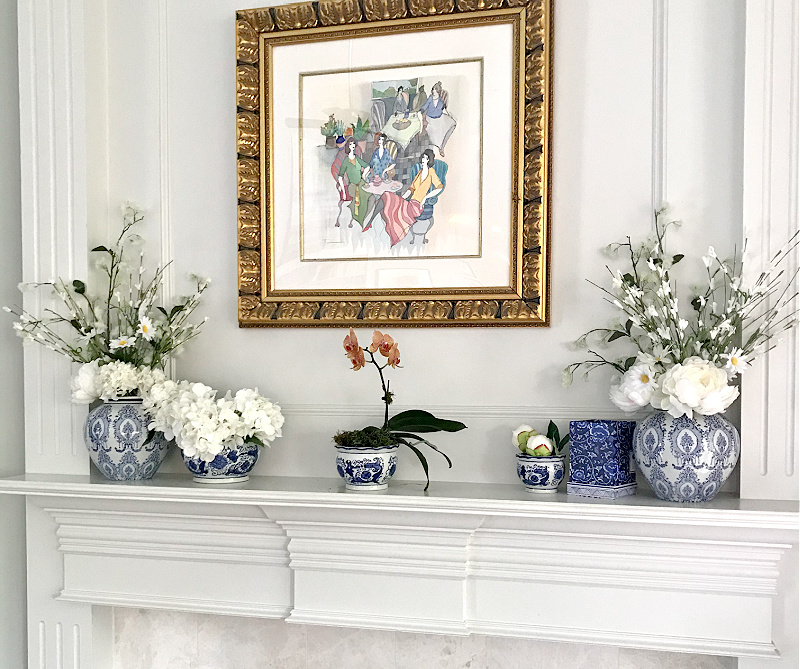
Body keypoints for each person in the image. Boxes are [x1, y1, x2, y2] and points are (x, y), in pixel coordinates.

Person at [374, 149, 443, 246]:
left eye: (426, 158)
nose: (423, 160)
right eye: (423, 157)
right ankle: (374, 222)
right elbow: (411, 189)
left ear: (429, 160)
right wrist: (402, 198)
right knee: (387, 196)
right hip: (412, 201)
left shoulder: (431, 172)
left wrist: (425, 197)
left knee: (394, 209)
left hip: (418, 205)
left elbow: (439, 187)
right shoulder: (419, 172)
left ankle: (393, 231)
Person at [336, 137, 371, 228]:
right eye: (350, 144)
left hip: (361, 183)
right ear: (348, 146)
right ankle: (358, 219)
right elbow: (340, 176)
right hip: (352, 186)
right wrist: (343, 191)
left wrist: (364, 175)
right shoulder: (346, 161)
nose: (352, 146)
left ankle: (365, 218)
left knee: (371, 197)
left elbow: (367, 166)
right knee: (361, 197)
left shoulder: (357, 158)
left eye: (353, 144)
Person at [419, 81, 456, 157]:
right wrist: (421, 112)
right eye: (433, 90)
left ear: (438, 92)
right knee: (435, 131)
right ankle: (439, 147)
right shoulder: (430, 98)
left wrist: (449, 114)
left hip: (440, 118)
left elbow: (444, 109)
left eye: (435, 91)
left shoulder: (441, 101)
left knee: (452, 124)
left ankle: (442, 147)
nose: (433, 92)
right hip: (431, 119)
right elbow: (424, 107)